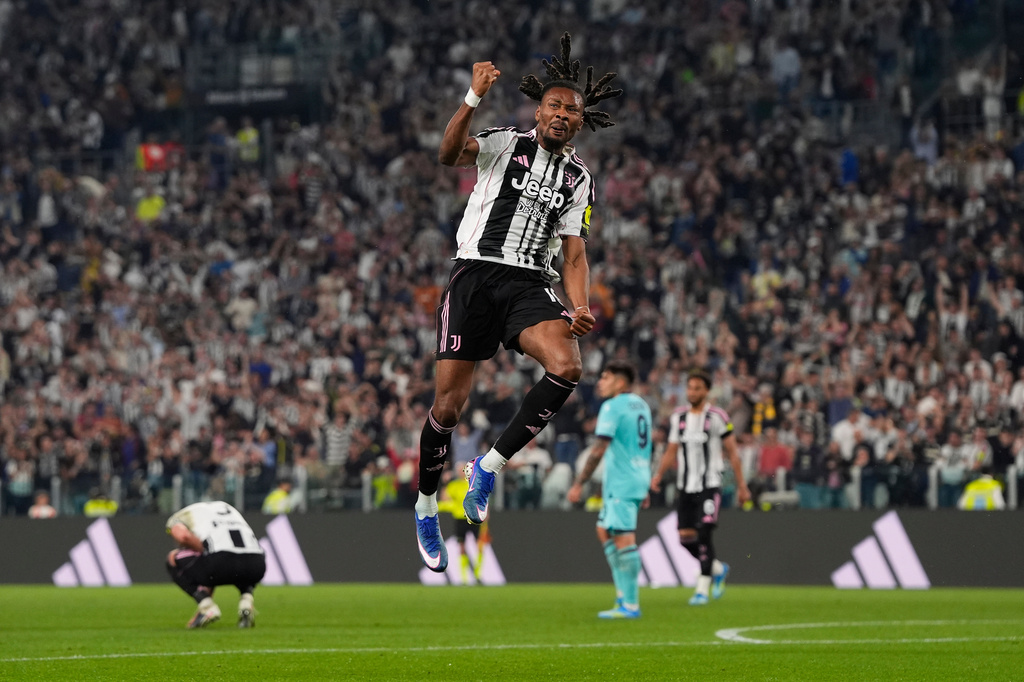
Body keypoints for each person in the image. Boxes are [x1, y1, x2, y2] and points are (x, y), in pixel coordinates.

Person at [414, 32, 622, 572]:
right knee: (448, 408)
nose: (561, 114)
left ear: (580, 121)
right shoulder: (505, 142)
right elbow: (446, 155)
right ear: (539, 110)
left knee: (568, 366)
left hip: (530, 282)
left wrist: (578, 305)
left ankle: (486, 468)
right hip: (475, 277)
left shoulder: (579, 179)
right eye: (553, 105)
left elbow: (574, 254)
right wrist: (472, 97)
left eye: (571, 110)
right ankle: (426, 504)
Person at [651, 368, 751, 606]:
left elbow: (733, 453)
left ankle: (702, 588)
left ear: (707, 391)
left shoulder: (718, 416)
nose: (692, 392)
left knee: (704, 532)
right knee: (685, 539)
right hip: (686, 486)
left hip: (710, 484)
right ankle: (717, 567)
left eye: (697, 388)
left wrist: (742, 486)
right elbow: (671, 450)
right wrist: (658, 475)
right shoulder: (678, 417)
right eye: (690, 387)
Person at [567, 360, 652, 619]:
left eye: (606, 377)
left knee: (624, 538)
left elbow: (598, 449)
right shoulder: (642, 404)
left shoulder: (612, 407)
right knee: (604, 530)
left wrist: (580, 482)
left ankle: (631, 604)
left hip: (623, 482)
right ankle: (621, 595)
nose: (601, 382)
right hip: (636, 476)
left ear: (621, 382)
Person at [165, 500, 266, 629]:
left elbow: (183, 536)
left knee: (172, 558)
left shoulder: (180, 517)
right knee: (242, 563)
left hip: (221, 562)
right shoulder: (229, 510)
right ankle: (246, 600)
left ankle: (207, 606)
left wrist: (202, 549)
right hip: (257, 565)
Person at [437, 469, 490, 583]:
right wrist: (445, 483)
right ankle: (464, 578)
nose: (462, 472)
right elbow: (444, 498)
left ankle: (477, 574)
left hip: (474, 517)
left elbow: (483, 498)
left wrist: (486, 511)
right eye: (460, 470)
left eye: (464, 470)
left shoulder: (474, 484)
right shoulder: (453, 485)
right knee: (462, 547)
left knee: (479, 545)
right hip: (460, 518)